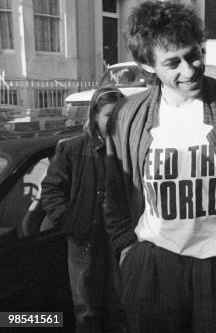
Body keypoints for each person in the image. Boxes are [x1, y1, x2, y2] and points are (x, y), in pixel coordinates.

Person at [103, 0, 216, 333]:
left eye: (194, 54)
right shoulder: (127, 115)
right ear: (147, 64)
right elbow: (115, 195)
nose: (189, 69)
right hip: (154, 267)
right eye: (173, 63)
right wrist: (128, 251)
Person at [41, 86, 127, 333]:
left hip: (120, 242)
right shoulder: (73, 149)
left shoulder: (129, 148)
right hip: (84, 242)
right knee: (86, 311)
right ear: (95, 116)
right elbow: (51, 190)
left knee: (120, 308)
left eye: (121, 115)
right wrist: (70, 222)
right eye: (110, 115)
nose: (116, 121)